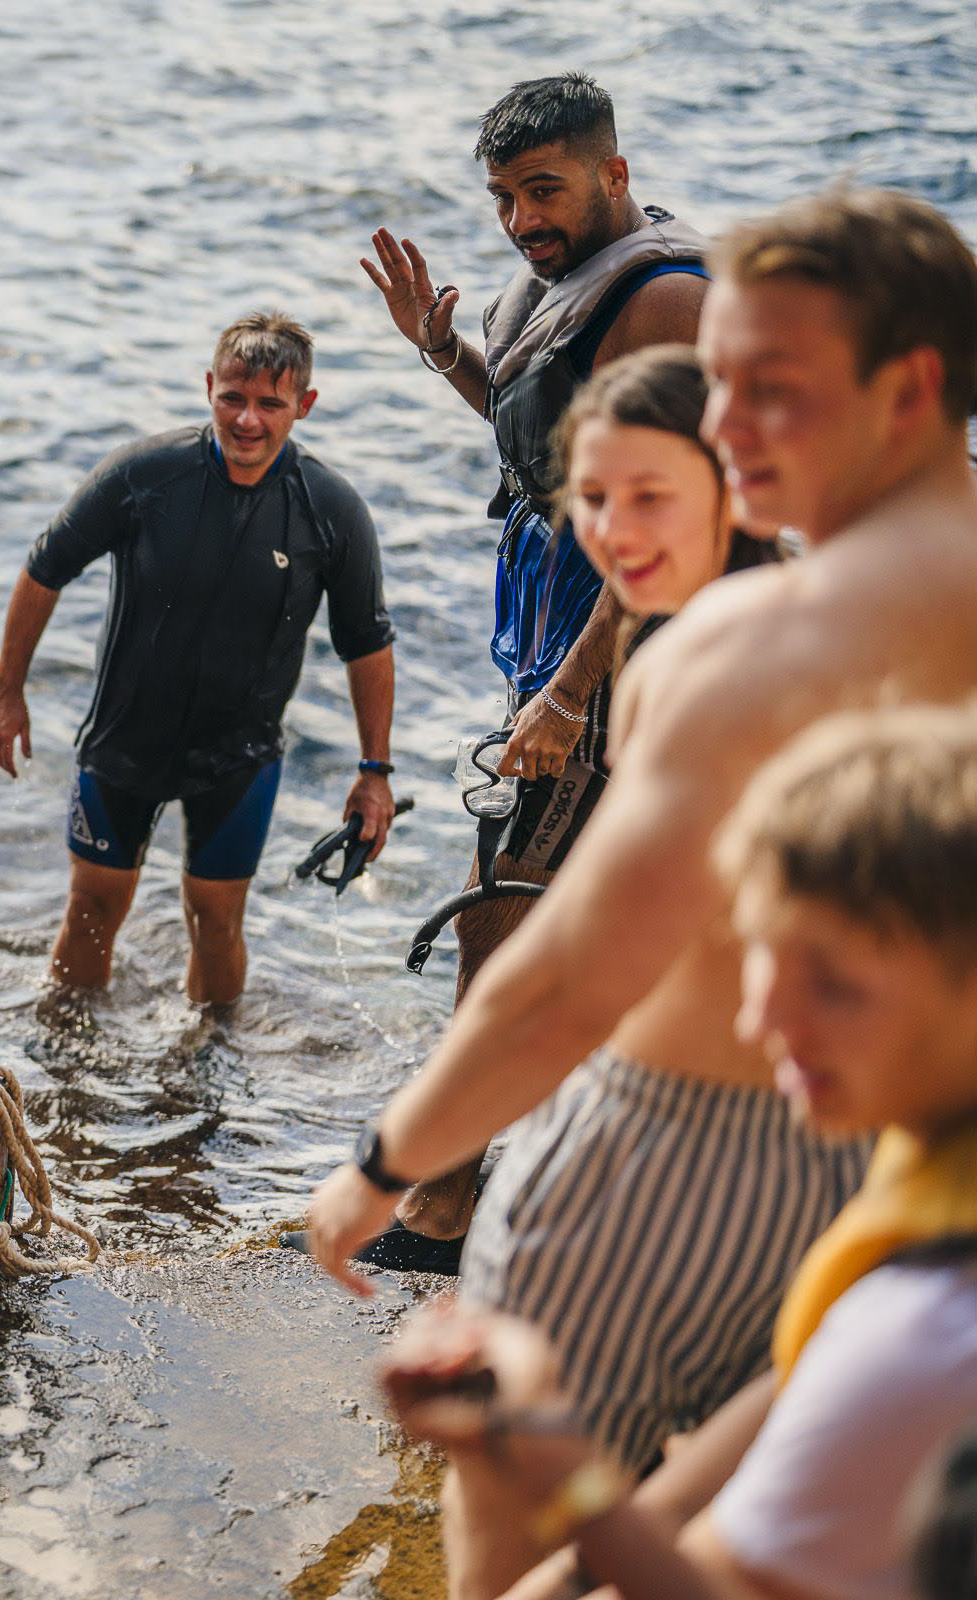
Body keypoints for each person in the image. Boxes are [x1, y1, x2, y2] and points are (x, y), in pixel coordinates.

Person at [307, 187, 977, 1598]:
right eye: (712, 377)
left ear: (907, 388)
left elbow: (567, 980)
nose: (720, 426)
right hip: (896, 1156)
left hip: (654, 1159)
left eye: (764, 389)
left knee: (515, 1549)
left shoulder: (750, 644)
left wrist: (378, 1173)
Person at [381, 702, 977, 1600]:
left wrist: (550, 1451)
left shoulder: (927, 1336)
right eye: (764, 960)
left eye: (836, 983)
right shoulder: (916, 1204)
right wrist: (549, 1449)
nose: (758, 1021)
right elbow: (695, 1514)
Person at [359, 71, 709, 1258]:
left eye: (543, 190)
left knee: (500, 908)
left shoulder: (663, 304)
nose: (519, 221)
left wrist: (568, 693)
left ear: (614, 172)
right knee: (564, 914)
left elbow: (665, 521)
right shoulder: (564, 283)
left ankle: (447, 1199)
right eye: (504, 197)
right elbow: (545, 446)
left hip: (616, 650)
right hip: (559, 634)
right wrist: (442, 348)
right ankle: (576, 1179)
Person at [0, 312, 397, 1008]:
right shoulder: (143, 476)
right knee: (91, 910)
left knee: (216, 923)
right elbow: (44, 567)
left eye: (270, 403)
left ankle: (206, 1088)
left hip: (238, 759)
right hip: (123, 742)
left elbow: (366, 643)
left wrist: (373, 771)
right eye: (232, 397)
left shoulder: (329, 510)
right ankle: (61, 1080)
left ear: (305, 405)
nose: (247, 420)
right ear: (208, 386)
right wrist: (7, 692)